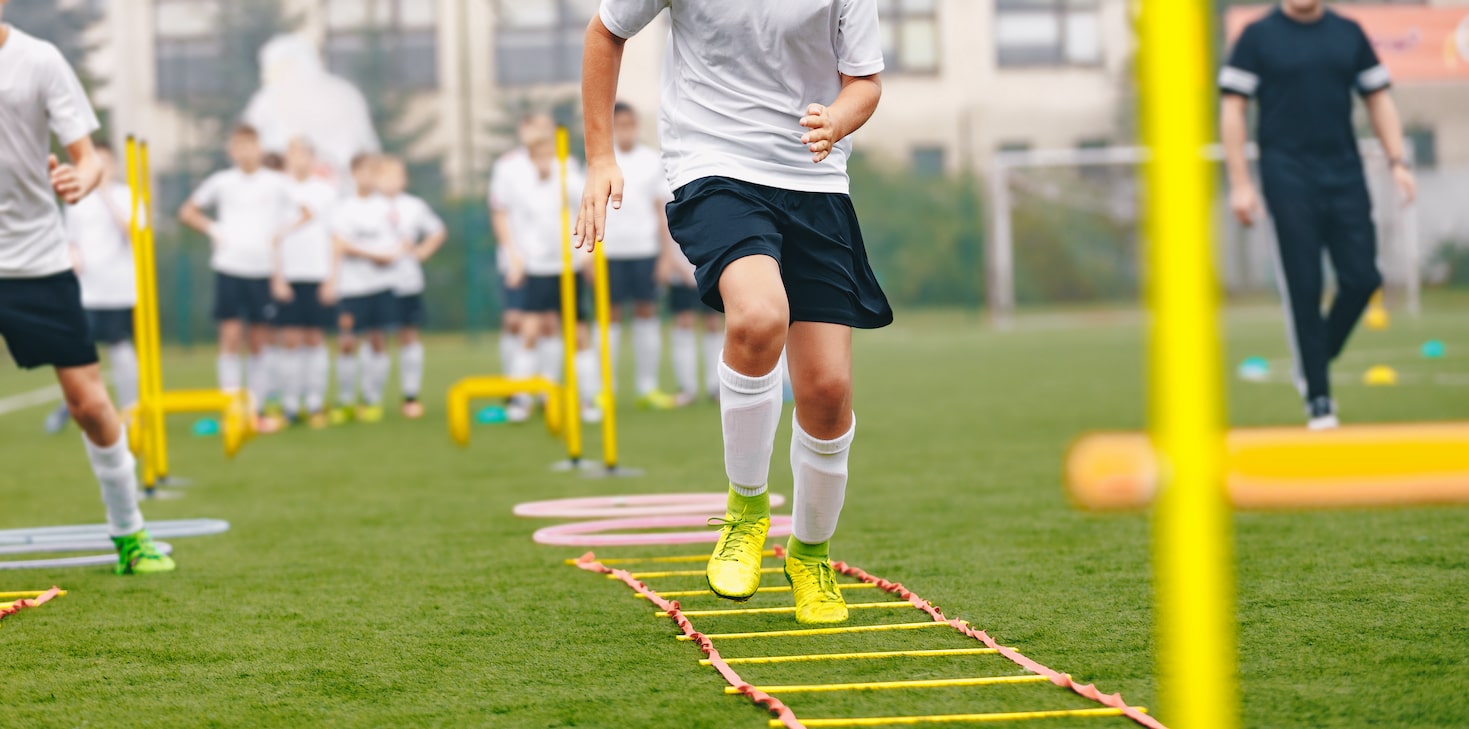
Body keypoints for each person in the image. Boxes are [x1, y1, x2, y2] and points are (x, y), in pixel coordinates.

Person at [580, 0, 892, 624]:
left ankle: (809, 553)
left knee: (827, 391)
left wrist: (837, 119)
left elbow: (865, 83)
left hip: (814, 182)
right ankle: (746, 512)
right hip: (714, 168)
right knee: (757, 317)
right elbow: (605, 31)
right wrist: (600, 158)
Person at [0, 8, 173, 574]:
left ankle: (129, 533)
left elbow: (89, 156)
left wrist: (82, 179)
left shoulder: (38, 59)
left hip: (35, 261)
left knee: (90, 405)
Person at [1221, 0, 1416, 430]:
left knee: (1364, 278)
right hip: (1286, 173)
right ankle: (1320, 400)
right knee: (1304, 284)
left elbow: (1378, 98)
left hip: (1344, 171)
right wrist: (1240, 183)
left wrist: (1397, 161)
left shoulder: (1348, 32)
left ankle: (1314, 359)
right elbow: (1233, 109)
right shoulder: (1257, 36)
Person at [179, 124, 303, 433]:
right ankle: (231, 409)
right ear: (231, 151)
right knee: (230, 337)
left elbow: (307, 211)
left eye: (251, 144)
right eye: (239, 145)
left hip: (261, 270)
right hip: (229, 267)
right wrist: (214, 229)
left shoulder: (277, 183)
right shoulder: (221, 182)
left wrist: (278, 235)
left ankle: (255, 410)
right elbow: (188, 212)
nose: (245, 151)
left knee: (260, 341)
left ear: (259, 147)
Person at [503, 131, 602, 424]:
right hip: (539, 268)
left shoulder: (570, 178)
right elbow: (518, 226)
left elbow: (585, 207)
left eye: (550, 154)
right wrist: (517, 262)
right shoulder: (524, 187)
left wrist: (587, 257)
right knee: (530, 330)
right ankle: (521, 399)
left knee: (578, 335)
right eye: (539, 155)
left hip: (568, 266)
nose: (545, 161)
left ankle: (587, 400)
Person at [42, 142, 138, 434]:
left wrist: (107, 195)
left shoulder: (128, 196)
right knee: (78, 354)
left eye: (108, 162)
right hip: (86, 290)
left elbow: (133, 233)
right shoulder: (76, 199)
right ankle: (72, 406)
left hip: (120, 289)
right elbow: (68, 238)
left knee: (121, 348)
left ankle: (131, 410)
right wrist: (72, 256)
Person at [600, 102, 676, 408]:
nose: (625, 130)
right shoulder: (600, 162)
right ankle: (606, 389)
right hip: (608, 252)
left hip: (645, 250)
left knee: (647, 313)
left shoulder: (651, 161)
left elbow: (661, 212)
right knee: (610, 318)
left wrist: (665, 256)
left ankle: (648, 388)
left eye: (629, 124)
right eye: (619, 124)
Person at [271, 138, 338, 428]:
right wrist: (277, 276)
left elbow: (335, 236)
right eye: (293, 155)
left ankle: (314, 402)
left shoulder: (326, 191)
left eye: (304, 155)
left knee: (315, 339)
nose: (299, 160)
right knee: (290, 340)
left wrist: (331, 278)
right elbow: (271, 237)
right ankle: (289, 404)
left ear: (312, 159)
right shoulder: (276, 190)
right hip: (289, 275)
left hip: (317, 273)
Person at [327, 153, 397, 424]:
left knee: (378, 340)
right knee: (346, 341)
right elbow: (338, 245)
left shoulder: (388, 208)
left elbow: (394, 248)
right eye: (364, 171)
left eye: (374, 172)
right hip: (352, 287)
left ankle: (372, 399)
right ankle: (345, 400)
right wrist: (333, 280)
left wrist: (363, 251)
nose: (369, 177)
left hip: (380, 285)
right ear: (354, 174)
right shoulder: (343, 208)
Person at [379, 155, 448, 419]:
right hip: (373, 284)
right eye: (384, 175)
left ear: (404, 179)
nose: (390, 182)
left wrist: (422, 252)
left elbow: (437, 231)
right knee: (376, 338)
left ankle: (410, 395)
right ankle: (372, 399)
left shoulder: (414, 206)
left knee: (408, 336)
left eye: (395, 175)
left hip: (407, 282)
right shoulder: (367, 206)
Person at [489, 114, 556, 381]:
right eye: (535, 127)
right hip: (520, 257)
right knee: (516, 321)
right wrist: (512, 255)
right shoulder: (508, 166)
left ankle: (546, 389)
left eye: (545, 126)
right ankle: (514, 386)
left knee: (549, 323)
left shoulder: (566, 163)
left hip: (553, 260)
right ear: (523, 130)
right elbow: (499, 211)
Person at [665, 234, 724, 406]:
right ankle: (687, 388)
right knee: (684, 324)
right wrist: (675, 264)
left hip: (711, 268)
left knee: (713, 324)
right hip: (680, 272)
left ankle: (716, 386)